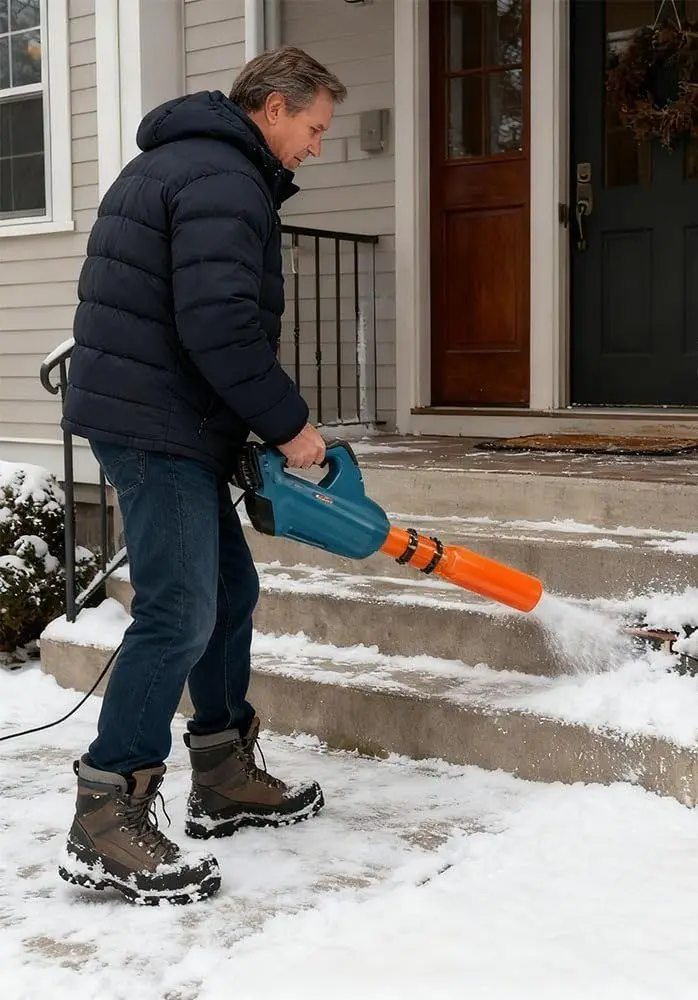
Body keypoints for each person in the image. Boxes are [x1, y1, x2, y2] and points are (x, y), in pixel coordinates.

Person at [56, 46, 347, 905]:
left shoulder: (192, 162)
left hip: (167, 415)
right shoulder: (222, 177)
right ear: (273, 108)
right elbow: (219, 323)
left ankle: (221, 773)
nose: (317, 147)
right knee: (180, 607)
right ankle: (106, 814)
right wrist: (290, 425)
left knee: (228, 590)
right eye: (315, 128)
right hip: (157, 424)